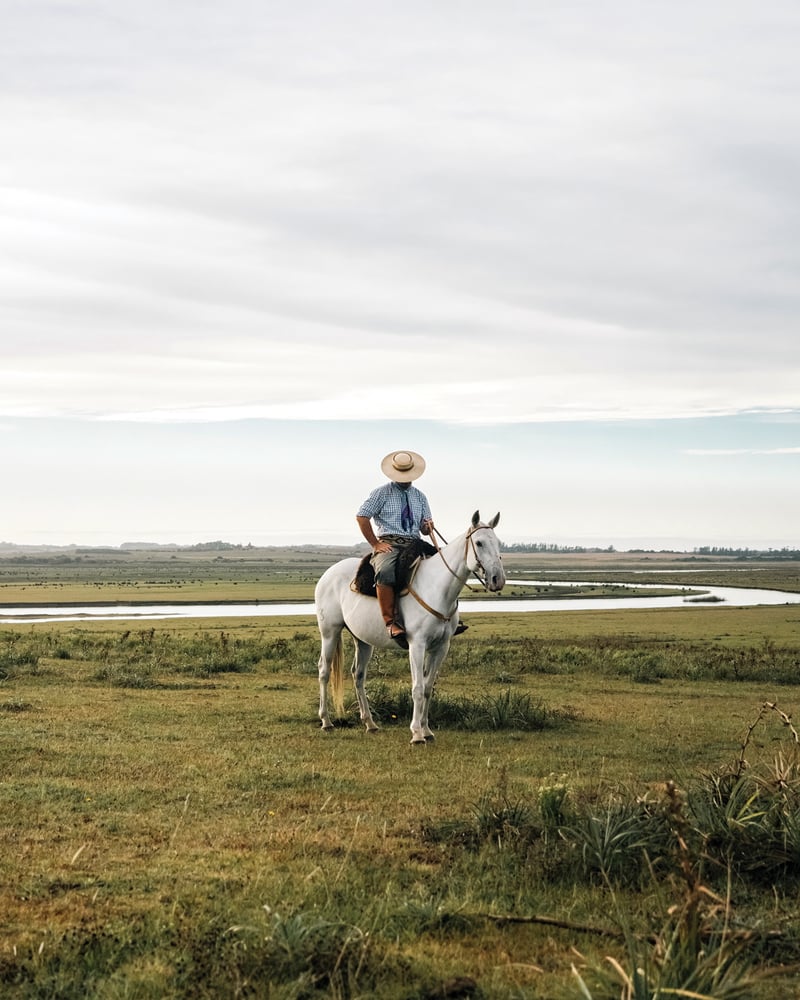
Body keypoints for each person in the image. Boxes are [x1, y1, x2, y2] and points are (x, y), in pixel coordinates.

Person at [356, 450, 434, 648]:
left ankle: (445, 619)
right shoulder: (381, 493)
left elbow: (424, 530)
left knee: (442, 567)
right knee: (385, 571)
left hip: (414, 543)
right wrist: (375, 543)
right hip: (390, 542)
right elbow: (362, 516)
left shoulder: (420, 497)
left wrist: (427, 527)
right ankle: (390, 622)